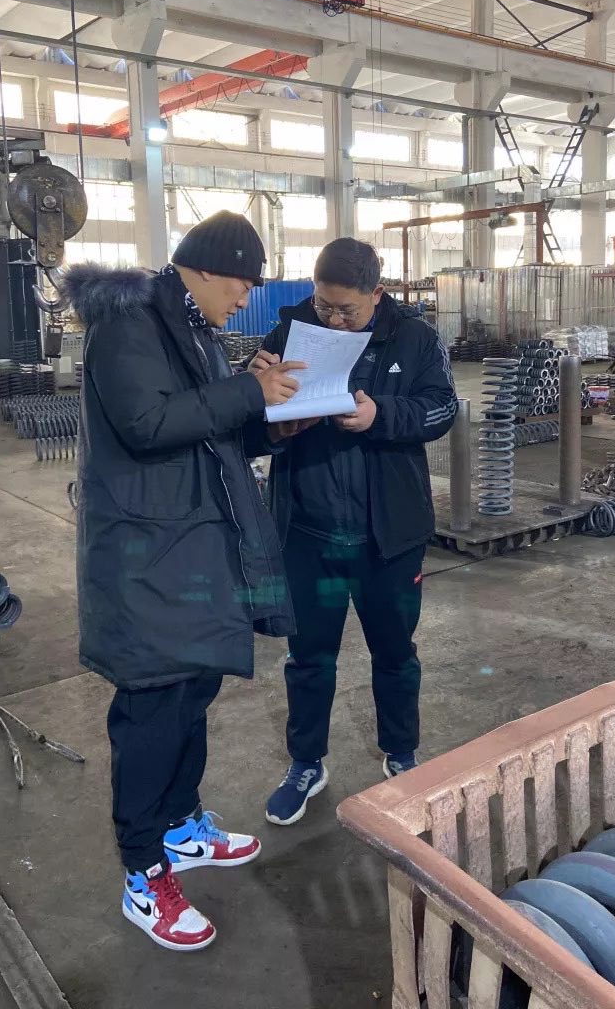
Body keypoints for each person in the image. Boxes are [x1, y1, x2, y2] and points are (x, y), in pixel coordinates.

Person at [63, 211, 304, 952]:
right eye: (243, 283)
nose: (247, 298)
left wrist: (272, 420)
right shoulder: (128, 324)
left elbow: (208, 426)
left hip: (193, 544)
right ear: (204, 270)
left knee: (193, 688)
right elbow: (146, 423)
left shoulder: (190, 327)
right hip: (145, 554)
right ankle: (143, 871)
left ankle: (179, 825)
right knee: (151, 710)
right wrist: (249, 392)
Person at [251, 238, 458, 827]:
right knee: (308, 657)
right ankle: (305, 764)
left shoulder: (413, 338)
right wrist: (258, 398)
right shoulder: (288, 333)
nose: (334, 320)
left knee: (394, 653)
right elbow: (252, 423)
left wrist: (379, 416)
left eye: (348, 310)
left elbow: (442, 409)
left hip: (387, 540)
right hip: (308, 534)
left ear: (378, 293)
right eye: (325, 307)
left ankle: (401, 754)